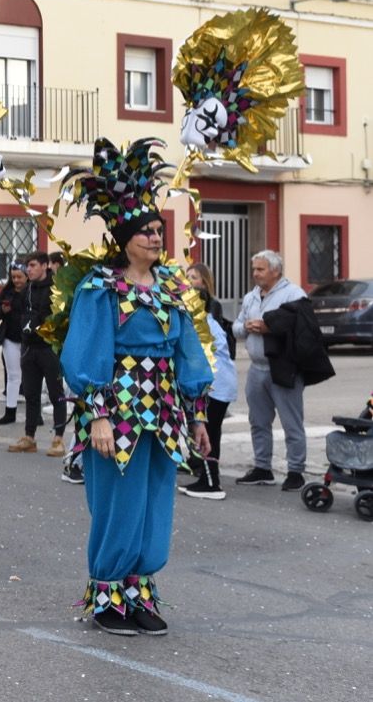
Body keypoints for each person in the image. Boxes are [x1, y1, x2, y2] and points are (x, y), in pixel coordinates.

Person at [59, 138, 212, 636]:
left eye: (157, 230)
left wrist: (199, 416)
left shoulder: (171, 288)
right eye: (145, 231)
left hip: (164, 410)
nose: (153, 237)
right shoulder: (101, 288)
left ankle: (139, 592)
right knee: (118, 500)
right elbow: (86, 353)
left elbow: (190, 354)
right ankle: (108, 595)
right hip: (117, 407)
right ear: (124, 238)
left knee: (154, 500)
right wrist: (98, 414)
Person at [232, 251, 310, 491]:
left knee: (291, 422)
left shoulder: (294, 294)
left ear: (276, 271)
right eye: (254, 269)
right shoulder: (250, 297)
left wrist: (270, 327)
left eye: (260, 269)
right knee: (258, 420)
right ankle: (262, 467)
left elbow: (303, 327)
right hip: (257, 368)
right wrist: (245, 327)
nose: (255, 274)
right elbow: (235, 327)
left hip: (284, 368)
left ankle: (296, 471)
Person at [180, 263, 236, 501]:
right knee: (210, 431)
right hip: (219, 383)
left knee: (209, 432)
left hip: (216, 385)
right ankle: (206, 476)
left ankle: (212, 483)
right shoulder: (206, 320)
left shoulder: (203, 321)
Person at [12, 252, 68, 456]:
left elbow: (58, 316)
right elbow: (21, 312)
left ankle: (58, 439)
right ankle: (29, 437)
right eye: (28, 265)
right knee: (31, 394)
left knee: (56, 394)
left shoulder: (56, 288)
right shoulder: (27, 289)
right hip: (29, 348)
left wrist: (39, 324)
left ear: (45, 266)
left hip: (49, 348)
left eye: (33, 265)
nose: (29, 269)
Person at [0, 262, 27, 425]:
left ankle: (35, 414)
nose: (16, 280)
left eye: (19, 276)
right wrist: (2, 311)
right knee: (13, 376)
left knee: (32, 377)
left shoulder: (32, 291)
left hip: (29, 340)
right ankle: (10, 411)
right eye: (13, 277)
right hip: (10, 339)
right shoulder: (7, 293)